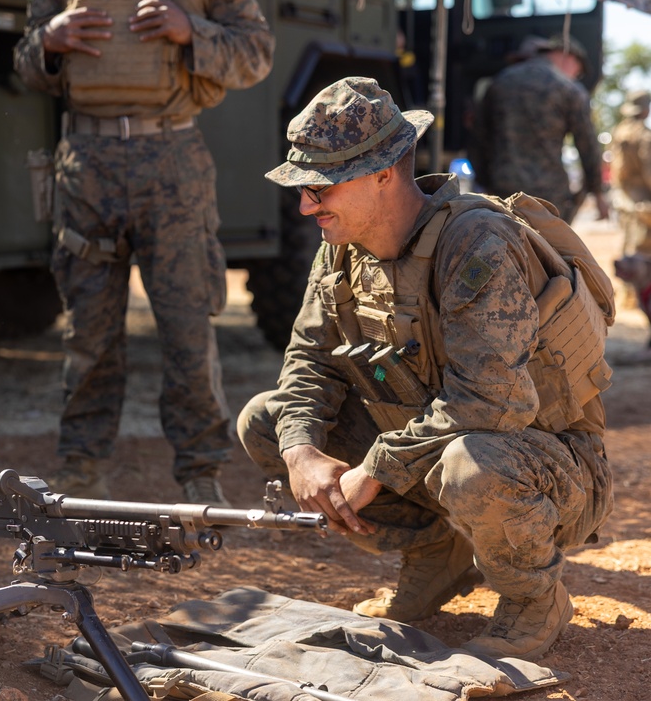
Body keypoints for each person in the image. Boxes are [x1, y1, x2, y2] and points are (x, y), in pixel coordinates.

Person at [237, 77, 614, 660]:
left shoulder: (477, 243)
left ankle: (534, 599)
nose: (306, 205)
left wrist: (377, 469)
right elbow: (310, 359)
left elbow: (493, 401)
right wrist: (300, 450)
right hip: (435, 451)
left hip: (545, 467)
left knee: (472, 464)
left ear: (383, 174)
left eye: (321, 187)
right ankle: (437, 554)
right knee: (268, 421)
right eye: (303, 188)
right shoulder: (340, 247)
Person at [12, 0, 275, 504]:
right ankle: (82, 468)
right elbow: (24, 65)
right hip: (87, 163)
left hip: (172, 158)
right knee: (88, 331)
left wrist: (192, 30)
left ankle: (201, 474)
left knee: (187, 329)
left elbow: (257, 53)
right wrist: (49, 43)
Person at [473, 34, 609, 224]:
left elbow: (479, 138)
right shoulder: (569, 89)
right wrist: (598, 193)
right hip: (549, 198)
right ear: (569, 57)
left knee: (503, 242)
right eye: (578, 71)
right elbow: (588, 146)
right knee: (546, 244)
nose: (575, 76)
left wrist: (484, 183)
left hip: (502, 191)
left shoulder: (499, 82)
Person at [609, 89, 651, 258]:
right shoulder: (644, 136)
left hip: (623, 197)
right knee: (643, 252)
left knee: (629, 247)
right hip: (643, 201)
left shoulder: (619, 132)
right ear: (645, 110)